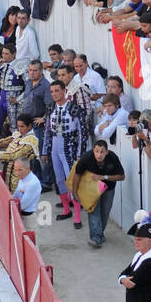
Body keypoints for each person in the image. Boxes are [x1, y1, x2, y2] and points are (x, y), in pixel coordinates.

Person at [42, 79, 86, 226]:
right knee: (59, 180)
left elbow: (82, 133)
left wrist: (80, 153)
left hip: (69, 147)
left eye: (57, 91)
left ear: (64, 91)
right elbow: (47, 131)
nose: (54, 94)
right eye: (52, 91)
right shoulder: (49, 108)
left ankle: (78, 216)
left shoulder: (75, 109)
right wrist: (44, 151)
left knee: (72, 181)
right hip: (55, 146)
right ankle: (67, 210)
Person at [70, 139, 124, 248]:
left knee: (105, 211)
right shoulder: (86, 158)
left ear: (107, 152)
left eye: (102, 152)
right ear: (93, 150)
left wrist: (104, 177)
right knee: (94, 210)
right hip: (91, 188)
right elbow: (77, 175)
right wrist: (74, 192)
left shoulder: (113, 158)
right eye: (96, 151)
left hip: (108, 188)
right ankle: (95, 237)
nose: (99, 155)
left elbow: (122, 176)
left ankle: (99, 234)